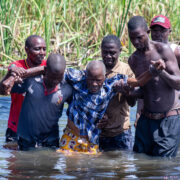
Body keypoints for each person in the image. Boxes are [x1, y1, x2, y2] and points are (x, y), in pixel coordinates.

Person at [128, 16, 180, 157]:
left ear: (147, 33)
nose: (136, 42)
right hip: (146, 120)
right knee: (140, 163)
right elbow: (146, 90)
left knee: (163, 167)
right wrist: (129, 91)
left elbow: (178, 83)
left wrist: (160, 73)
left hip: (168, 119)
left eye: (139, 37)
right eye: (132, 39)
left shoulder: (164, 50)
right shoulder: (133, 59)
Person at [2, 53, 72, 150]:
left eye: (58, 77)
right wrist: (10, 76)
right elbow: (4, 90)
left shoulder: (67, 88)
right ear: (45, 71)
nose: (55, 81)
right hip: (27, 139)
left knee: (49, 162)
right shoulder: (31, 82)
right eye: (52, 77)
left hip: (51, 139)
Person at [57, 60, 128, 154]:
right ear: (86, 75)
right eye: (91, 79)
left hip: (91, 140)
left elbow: (133, 82)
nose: (94, 84)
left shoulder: (108, 87)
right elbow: (56, 71)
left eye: (98, 80)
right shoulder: (79, 79)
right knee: (68, 163)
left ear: (104, 77)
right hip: (71, 136)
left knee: (91, 165)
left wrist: (150, 73)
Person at [5, 35, 46, 143]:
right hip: (16, 128)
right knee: (15, 158)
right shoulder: (18, 66)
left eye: (44, 49)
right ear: (26, 50)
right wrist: (13, 71)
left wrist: (25, 74)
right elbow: (12, 67)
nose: (42, 52)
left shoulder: (47, 66)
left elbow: (49, 69)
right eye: (37, 49)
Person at [98, 35, 134, 151]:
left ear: (120, 51)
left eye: (112, 53)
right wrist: (97, 116)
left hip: (121, 132)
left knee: (122, 166)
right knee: (98, 167)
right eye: (105, 52)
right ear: (101, 50)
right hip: (99, 131)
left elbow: (133, 103)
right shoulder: (95, 69)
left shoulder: (127, 70)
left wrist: (126, 91)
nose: (108, 56)